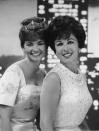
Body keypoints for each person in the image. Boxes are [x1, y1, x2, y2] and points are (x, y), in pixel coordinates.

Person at [40, 15, 93, 131]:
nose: (65, 48)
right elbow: (45, 125)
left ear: (79, 44)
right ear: (54, 49)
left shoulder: (80, 75)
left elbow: (79, 116)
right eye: (59, 44)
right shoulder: (53, 78)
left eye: (70, 42)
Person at [0, 16, 48, 131]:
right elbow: (3, 117)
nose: (35, 49)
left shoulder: (44, 74)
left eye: (40, 43)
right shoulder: (13, 73)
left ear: (46, 46)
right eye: (29, 44)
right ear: (23, 47)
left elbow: (42, 117)